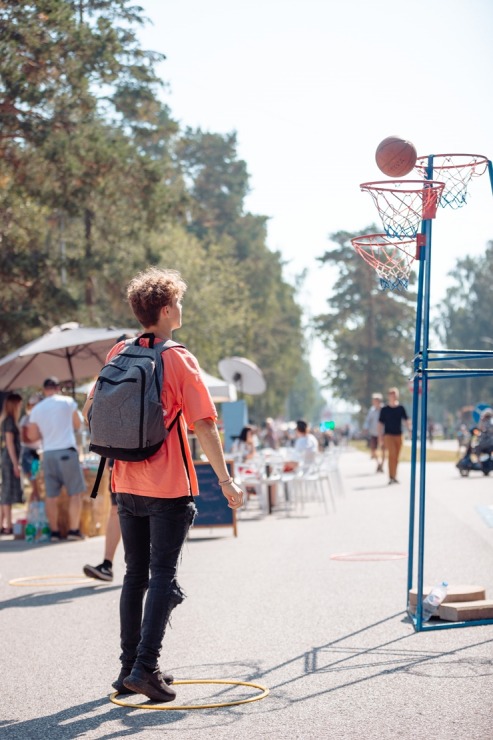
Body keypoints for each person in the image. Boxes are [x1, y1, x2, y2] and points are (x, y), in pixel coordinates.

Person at [83, 267, 244, 703]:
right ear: (168, 309)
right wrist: (226, 481)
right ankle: (146, 668)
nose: (182, 309)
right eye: (181, 302)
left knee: (134, 576)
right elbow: (205, 425)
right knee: (162, 576)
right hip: (168, 485)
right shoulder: (177, 358)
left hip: (124, 481)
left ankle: (126, 669)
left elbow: (90, 408)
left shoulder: (120, 350)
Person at [27, 377, 86, 541]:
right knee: (75, 494)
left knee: (51, 496)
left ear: (44, 389)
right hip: (66, 450)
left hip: (48, 453)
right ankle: (73, 531)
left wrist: (46, 433)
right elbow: (77, 424)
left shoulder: (37, 409)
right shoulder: (67, 401)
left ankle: (54, 532)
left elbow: (31, 435)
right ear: (58, 388)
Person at [0, 392, 24, 534]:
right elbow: (9, 444)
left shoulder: (7, 420)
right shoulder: (9, 421)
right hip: (9, 460)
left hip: (7, 459)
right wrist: (16, 464)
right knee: (7, 493)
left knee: (5, 492)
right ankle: (8, 525)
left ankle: (4, 523)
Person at [378, 387, 410, 485]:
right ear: (388, 396)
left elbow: (406, 420)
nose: (393, 396)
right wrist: (380, 437)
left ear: (397, 396)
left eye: (394, 394)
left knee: (396, 456)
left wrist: (410, 430)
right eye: (391, 394)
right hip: (388, 435)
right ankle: (391, 476)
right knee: (391, 454)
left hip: (398, 435)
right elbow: (380, 424)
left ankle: (394, 476)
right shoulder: (384, 409)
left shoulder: (401, 408)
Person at [19, 393, 43, 501]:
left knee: (37, 485)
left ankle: (34, 512)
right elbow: (23, 438)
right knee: (34, 485)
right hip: (28, 453)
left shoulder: (42, 418)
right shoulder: (26, 418)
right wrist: (38, 437)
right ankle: (34, 512)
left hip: (38, 453)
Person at [362, 393, 384, 473]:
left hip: (382, 433)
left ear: (379, 401)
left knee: (383, 450)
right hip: (374, 433)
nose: (374, 402)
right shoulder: (371, 410)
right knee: (373, 449)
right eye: (374, 401)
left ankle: (382, 464)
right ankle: (378, 463)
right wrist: (365, 428)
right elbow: (367, 421)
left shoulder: (384, 409)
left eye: (376, 401)